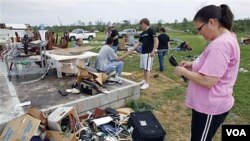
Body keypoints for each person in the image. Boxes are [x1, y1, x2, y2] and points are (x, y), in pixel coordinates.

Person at [174, 4, 240, 141]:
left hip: (211, 106)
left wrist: (183, 72)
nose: (199, 33)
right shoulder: (226, 38)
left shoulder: (220, 45)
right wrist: (192, 65)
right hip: (209, 103)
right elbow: (215, 66)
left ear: (212, 22)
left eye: (199, 28)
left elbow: (209, 80)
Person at [135, 18, 159, 89]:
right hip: (143, 52)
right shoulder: (143, 33)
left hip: (149, 52)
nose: (141, 26)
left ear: (145, 23)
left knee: (147, 68)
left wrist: (153, 51)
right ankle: (144, 80)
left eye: (141, 24)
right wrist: (132, 49)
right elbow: (139, 43)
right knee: (144, 68)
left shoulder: (151, 31)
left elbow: (156, 41)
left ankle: (147, 83)